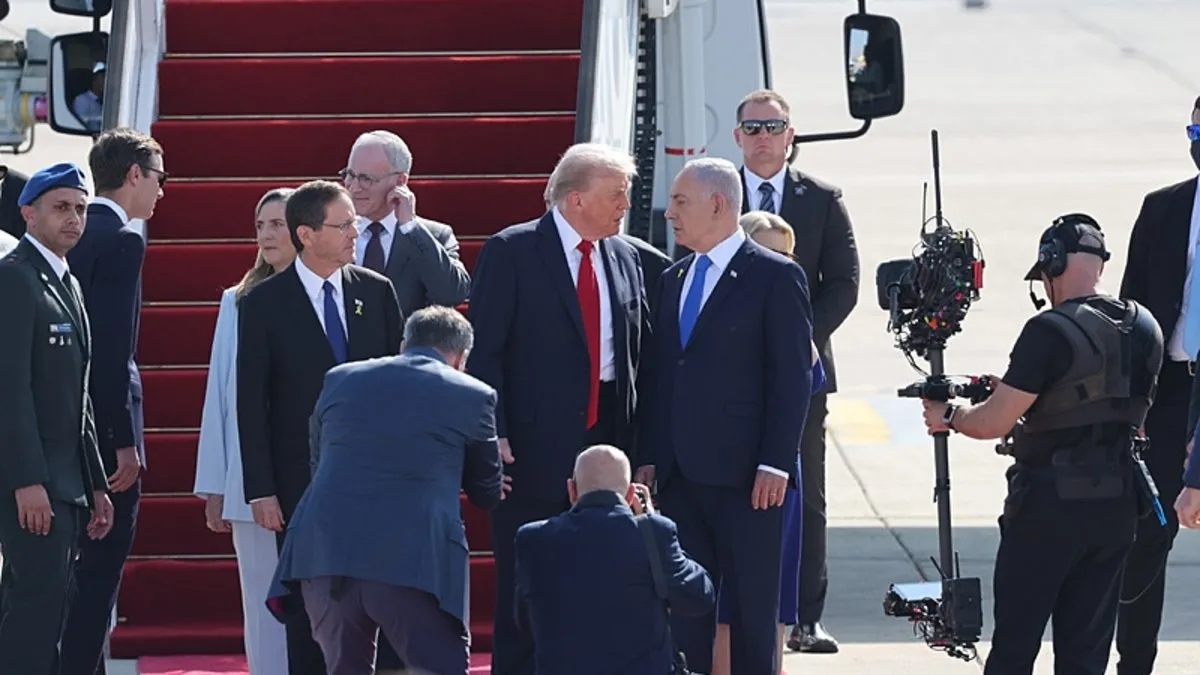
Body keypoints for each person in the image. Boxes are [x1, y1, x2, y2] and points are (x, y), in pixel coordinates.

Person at [921, 214, 1163, 674]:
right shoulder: (1144, 325)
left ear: (1052, 263)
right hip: (1115, 507)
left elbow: (992, 422)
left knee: (1015, 647)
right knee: (1085, 655)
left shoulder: (1048, 330)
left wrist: (949, 417)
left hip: (1048, 509)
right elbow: (1118, 409)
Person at [466, 142, 652, 675]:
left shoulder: (624, 255)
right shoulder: (513, 250)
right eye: (616, 194)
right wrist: (494, 431)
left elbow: (638, 356)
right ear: (576, 199)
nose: (625, 205)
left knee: (603, 587)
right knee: (527, 588)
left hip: (609, 442)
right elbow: (486, 351)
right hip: (531, 450)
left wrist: (643, 448)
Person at [636, 157, 814, 675]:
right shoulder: (674, 278)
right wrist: (650, 456)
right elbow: (662, 377)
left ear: (718, 204)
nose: (669, 213)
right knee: (687, 605)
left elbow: (791, 378)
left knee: (754, 609)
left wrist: (776, 462)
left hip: (748, 479)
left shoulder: (775, 276)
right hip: (680, 476)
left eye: (680, 201)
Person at [268, 306, 505, 675]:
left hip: (325, 553)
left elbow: (319, 460)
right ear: (461, 358)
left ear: (403, 344)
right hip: (414, 559)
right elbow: (486, 491)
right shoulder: (473, 394)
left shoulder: (340, 379)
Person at [237, 179, 404, 675]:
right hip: (299, 486)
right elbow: (252, 402)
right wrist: (261, 490)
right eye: (344, 224)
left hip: (374, 482)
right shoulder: (264, 303)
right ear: (307, 235)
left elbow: (401, 385)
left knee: (380, 601)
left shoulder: (376, 292)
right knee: (309, 609)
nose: (356, 232)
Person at [734, 88, 859, 653]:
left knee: (805, 492)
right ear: (737, 136)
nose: (762, 137)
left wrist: (798, 340)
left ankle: (807, 617)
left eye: (773, 127)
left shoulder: (822, 199)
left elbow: (844, 283)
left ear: (790, 135)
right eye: (752, 127)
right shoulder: (714, 190)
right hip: (729, 371)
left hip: (801, 371)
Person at [0, 162, 114, 675]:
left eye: (81, 209)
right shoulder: (16, 278)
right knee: (34, 613)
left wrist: (95, 482)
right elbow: (9, 389)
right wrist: (27, 480)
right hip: (34, 485)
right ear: (28, 213)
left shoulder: (65, 281)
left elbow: (77, 397)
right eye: (61, 208)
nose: (74, 219)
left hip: (66, 484)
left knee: (49, 609)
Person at [62, 127, 164, 675]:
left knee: (65, 574)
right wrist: (121, 441)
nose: (161, 191)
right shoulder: (124, 240)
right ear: (134, 175)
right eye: (158, 178)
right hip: (103, 436)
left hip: (61, 427)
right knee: (99, 576)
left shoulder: (69, 235)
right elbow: (111, 351)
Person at [708, 210, 826, 675]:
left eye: (787, 255)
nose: (782, 263)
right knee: (725, 595)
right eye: (769, 251)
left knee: (774, 593)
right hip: (727, 467)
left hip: (776, 471)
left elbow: (809, 378)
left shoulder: (789, 310)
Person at [193, 188, 295, 675]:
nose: (267, 235)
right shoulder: (238, 301)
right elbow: (220, 393)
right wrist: (215, 484)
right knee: (262, 604)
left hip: (314, 474)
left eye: (277, 224)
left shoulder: (337, 297)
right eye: (260, 226)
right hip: (249, 481)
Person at [1119, 95, 1200, 675]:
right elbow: (1133, 312)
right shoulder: (1163, 209)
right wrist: (1133, 404)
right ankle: (1135, 665)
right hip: (1169, 392)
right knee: (1148, 536)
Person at [514, 445, 714, 675]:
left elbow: (524, 620)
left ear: (572, 490)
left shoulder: (533, 538)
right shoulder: (652, 532)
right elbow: (700, 597)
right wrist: (650, 518)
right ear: (630, 494)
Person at [342, 130, 471, 316]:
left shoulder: (432, 235)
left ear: (400, 181)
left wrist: (410, 228)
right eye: (350, 175)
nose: (354, 187)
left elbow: (451, 294)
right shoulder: (329, 228)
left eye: (366, 179)